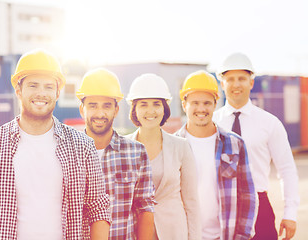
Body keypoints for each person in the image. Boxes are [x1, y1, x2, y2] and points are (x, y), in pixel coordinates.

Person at [0, 49, 111, 240]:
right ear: (18, 90)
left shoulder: (83, 146)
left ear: (58, 92)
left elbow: (98, 209)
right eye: (33, 85)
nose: (41, 93)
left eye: (49, 87)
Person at [213, 52, 300, 240]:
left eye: (242, 79)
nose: (236, 84)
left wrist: (290, 213)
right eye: (230, 79)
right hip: (219, 207)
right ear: (222, 84)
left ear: (251, 83)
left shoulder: (270, 123)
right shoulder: (211, 123)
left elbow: (286, 169)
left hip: (259, 207)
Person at [176, 70, 256, 240]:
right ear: (184, 105)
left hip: (223, 235)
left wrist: (242, 236)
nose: (201, 109)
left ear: (215, 104)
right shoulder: (171, 146)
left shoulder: (235, 144)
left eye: (207, 103)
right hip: (184, 235)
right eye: (195, 103)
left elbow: (247, 195)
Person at [76, 68, 156, 239]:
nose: (100, 113)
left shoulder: (136, 152)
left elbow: (145, 209)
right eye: (93, 105)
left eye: (106, 106)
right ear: (82, 109)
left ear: (116, 110)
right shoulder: (68, 153)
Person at [125, 73, 201, 240]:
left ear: (164, 108)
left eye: (156, 104)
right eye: (143, 104)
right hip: (135, 232)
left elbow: (192, 203)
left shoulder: (181, 146)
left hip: (174, 232)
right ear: (134, 109)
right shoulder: (122, 147)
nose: (150, 111)